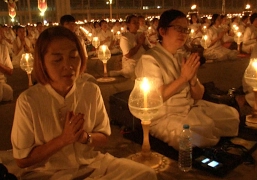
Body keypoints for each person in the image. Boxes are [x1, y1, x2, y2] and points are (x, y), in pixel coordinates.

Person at [11, 26, 157, 179]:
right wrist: (63, 140)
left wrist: (85, 137)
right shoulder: (29, 101)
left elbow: (103, 136)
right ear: (42, 63)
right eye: (57, 59)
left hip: (92, 165)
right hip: (49, 173)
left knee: (146, 174)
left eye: (73, 56)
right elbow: (22, 160)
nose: (68, 65)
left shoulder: (90, 91)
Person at [135, 9, 239, 150]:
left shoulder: (181, 57)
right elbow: (156, 97)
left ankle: (210, 132)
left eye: (186, 30)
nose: (183, 34)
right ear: (162, 31)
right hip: (165, 117)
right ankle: (209, 133)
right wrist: (184, 77)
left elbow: (198, 95)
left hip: (190, 109)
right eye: (178, 28)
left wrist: (192, 80)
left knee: (232, 116)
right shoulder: (149, 59)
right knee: (198, 131)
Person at [110, 14, 148, 78]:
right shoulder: (125, 37)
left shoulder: (141, 34)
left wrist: (143, 43)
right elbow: (128, 55)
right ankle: (122, 72)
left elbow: (148, 49)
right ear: (128, 24)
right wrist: (139, 44)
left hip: (143, 60)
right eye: (134, 23)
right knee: (133, 72)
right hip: (132, 63)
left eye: (137, 22)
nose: (137, 24)